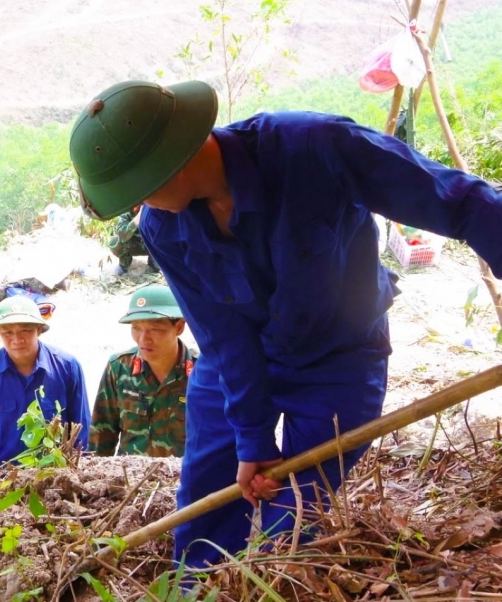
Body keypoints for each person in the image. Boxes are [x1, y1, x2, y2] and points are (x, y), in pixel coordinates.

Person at [68, 79, 502, 570]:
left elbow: (459, 200)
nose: (137, 206)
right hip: (238, 362)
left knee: (291, 519)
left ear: (172, 161)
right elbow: (222, 336)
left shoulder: (314, 148)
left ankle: (270, 596)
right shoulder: (162, 226)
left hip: (338, 358)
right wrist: (251, 435)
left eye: (139, 191)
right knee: (204, 501)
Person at [0, 296, 89, 473]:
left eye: (25, 330)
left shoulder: (67, 368)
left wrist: (77, 473)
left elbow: (81, 426)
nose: (16, 339)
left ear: (39, 329)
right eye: (7, 332)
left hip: (51, 479)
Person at [90, 285, 196, 457]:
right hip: (129, 479)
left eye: (155, 329)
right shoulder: (119, 367)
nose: (143, 339)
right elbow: (101, 434)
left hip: (185, 479)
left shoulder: (202, 372)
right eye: (136, 328)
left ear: (179, 327)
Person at [107, 205, 159, 276]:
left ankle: (155, 263)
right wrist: (136, 220)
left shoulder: (154, 208)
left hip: (151, 245)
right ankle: (125, 263)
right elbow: (122, 236)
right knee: (114, 242)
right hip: (133, 244)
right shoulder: (126, 211)